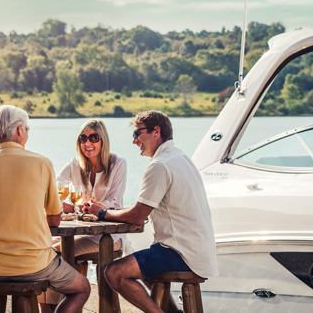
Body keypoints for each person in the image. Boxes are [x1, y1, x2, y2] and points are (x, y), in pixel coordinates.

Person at [85, 110, 218, 313]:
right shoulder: (181, 157)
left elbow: (138, 216)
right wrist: (110, 210)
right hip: (198, 250)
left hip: (180, 253)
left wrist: (103, 214)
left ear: (156, 131)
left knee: (113, 272)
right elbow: (142, 207)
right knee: (142, 265)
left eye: (137, 134)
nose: (134, 141)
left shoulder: (159, 165)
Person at [0, 105, 90, 313]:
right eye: (27, 129)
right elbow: (55, 219)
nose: (27, 133)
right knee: (82, 288)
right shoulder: (42, 163)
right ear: (19, 130)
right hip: (35, 264)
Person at [39, 119, 127, 313]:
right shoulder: (74, 164)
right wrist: (62, 203)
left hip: (108, 236)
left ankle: (55, 308)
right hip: (80, 232)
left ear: (103, 140)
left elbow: (111, 203)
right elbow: (53, 189)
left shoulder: (118, 164)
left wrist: (81, 205)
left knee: (52, 254)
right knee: (43, 249)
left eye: (94, 138)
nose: (88, 143)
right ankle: (48, 307)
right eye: (83, 138)